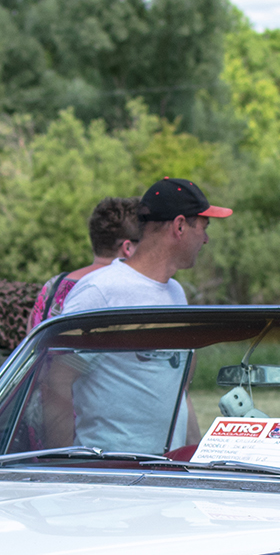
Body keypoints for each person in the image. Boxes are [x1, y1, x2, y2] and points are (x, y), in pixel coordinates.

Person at [42, 177, 230, 452]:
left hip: (166, 473)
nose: (206, 239)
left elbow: (180, 393)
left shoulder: (176, 293)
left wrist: (195, 458)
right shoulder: (101, 293)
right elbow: (56, 384)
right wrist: (62, 468)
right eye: (204, 226)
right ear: (179, 226)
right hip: (112, 478)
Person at [26, 197, 140, 331]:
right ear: (128, 248)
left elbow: (31, 340)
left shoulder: (54, 286)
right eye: (144, 242)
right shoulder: (124, 292)